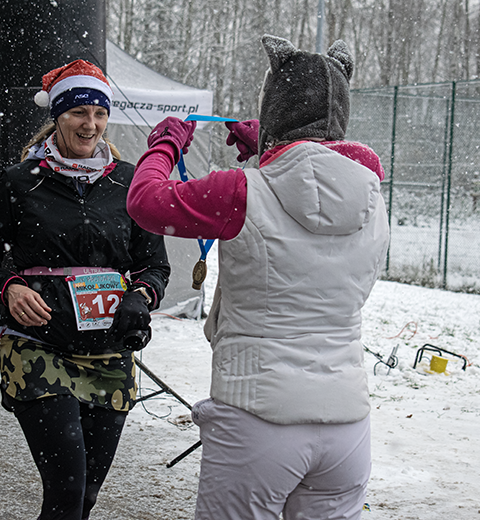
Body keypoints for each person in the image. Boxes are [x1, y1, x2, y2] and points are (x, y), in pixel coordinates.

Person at [127, 35, 390, 520]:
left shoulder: (239, 191)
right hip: (348, 424)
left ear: (275, 107)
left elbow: (145, 202)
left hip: (258, 416)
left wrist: (164, 146)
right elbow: (321, 177)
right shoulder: (373, 195)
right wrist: (271, 153)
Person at [0, 59, 170, 520]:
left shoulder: (129, 182)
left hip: (109, 355)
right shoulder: (22, 182)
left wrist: (141, 296)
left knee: (88, 497)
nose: (89, 124)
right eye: (78, 113)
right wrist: (9, 288)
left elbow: (154, 265)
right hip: (39, 350)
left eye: (98, 114)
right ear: (57, 116)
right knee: (66, 492)